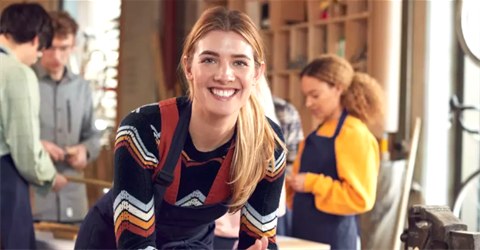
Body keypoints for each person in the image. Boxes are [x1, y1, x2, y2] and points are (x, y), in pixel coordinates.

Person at [75, 6, 287, 250]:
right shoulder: (143, 131)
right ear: (189, 68)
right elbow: (136, 245)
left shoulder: (267, 144)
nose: (224, 75)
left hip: (191, 243)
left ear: (257, 73)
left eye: (240, 62)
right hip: (113, 242)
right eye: (209, 59)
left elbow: (260, 242)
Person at [286, 54, 383, 250]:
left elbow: (360, 198)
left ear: (338, 89)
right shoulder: (316, 134)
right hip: (302, 236)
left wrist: (312, 183)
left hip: (335, 240)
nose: (308, 104)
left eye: (315, 95)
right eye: (306, 96)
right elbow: (296, 187)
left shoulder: (355, 135)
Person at [0, 3, 68, 250]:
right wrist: (49, 176)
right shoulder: (17, 72)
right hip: (5, 181)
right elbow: (25, 149)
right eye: (40, 52)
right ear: (37, 40)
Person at [31, 10, 102, 224]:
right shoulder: (24, 81)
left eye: (63, 48)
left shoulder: (82, 88)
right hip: (34, 201)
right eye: (50, 48)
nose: (56, 56)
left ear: (72, 47)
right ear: (40, 44)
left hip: (74, 202)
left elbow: (93, 136)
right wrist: (36, 146)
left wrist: (85, 151)